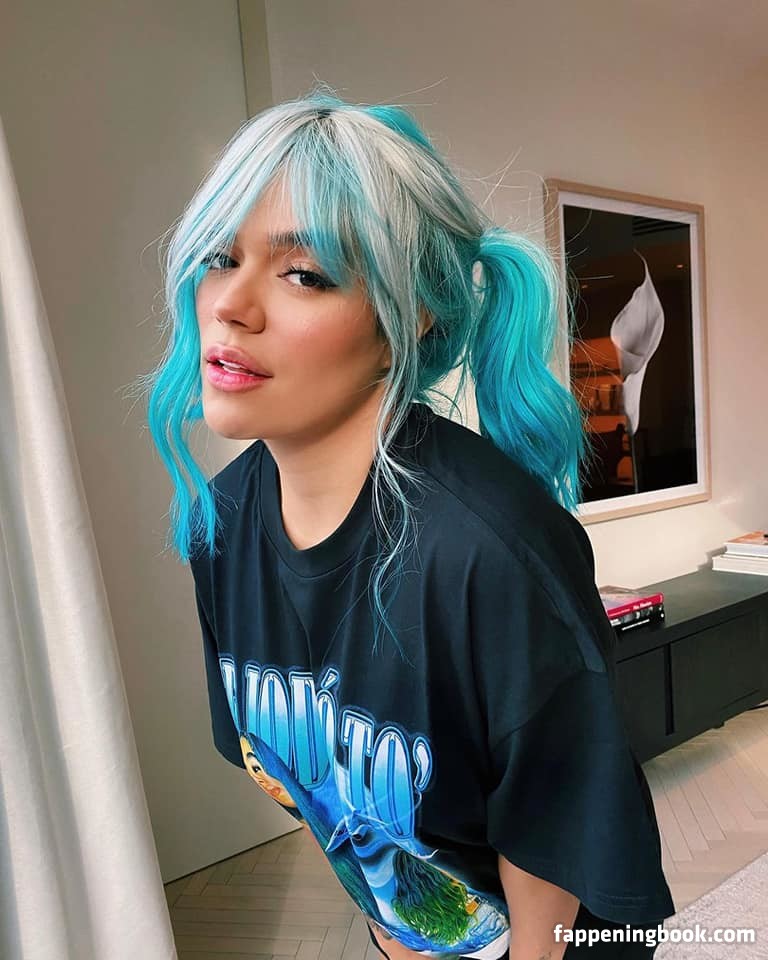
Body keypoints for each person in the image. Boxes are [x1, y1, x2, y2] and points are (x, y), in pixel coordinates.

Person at [141, 89, 675, 959]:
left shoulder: (488, 550)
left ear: (409, 316)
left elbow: (551, 836)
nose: (229, 304)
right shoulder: (221, 523)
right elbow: (313, 783)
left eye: (304, 273)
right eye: (218, 257)